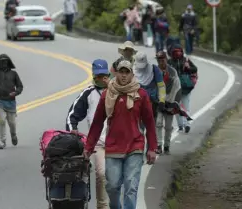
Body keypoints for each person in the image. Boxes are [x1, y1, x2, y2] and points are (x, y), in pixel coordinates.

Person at [83, 60, 157, 209]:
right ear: (115, 73)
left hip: (134, 146)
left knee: (131, 187)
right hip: (113, 147)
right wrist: (88, 147)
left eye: (126, 72)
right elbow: (97, 123)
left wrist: (152, 148)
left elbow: (149, 123)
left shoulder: (140, 94)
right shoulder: (107, 95)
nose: (123, 75)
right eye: (121, 72)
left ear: (131, 74)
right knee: (112, 186)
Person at [65, 59, 110, 209]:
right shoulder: (89, 93)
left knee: (118, 180)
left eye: (104, 75)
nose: (101, 79)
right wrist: (73, 130)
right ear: (94, 75)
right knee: (101, 174)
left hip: (119, 142)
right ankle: (101, 206)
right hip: (99, 144)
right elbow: (72, 115)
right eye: (98, 76)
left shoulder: (116, 91)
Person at [154, 51, 181, 154]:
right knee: (158, 123)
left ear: (166, 59)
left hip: (170, 102)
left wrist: (175, 103)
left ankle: (167, 145)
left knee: (168, 127)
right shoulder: (154, 71)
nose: (161, 62)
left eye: (162, 60)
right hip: (158, 102)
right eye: (159, 60)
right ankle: (159, 145)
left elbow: (177, 88)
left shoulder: (173, 72)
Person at [167, 43, 198, 133]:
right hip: (179, 87)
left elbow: (194, 69)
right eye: (176, 52)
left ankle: (184, 124)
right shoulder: (170, 62)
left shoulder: (185, 61)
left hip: (182, 87)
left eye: (179, 52)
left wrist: (188, 68)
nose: (178, 54)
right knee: (183, 106)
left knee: (179, 106)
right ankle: (183, 125)